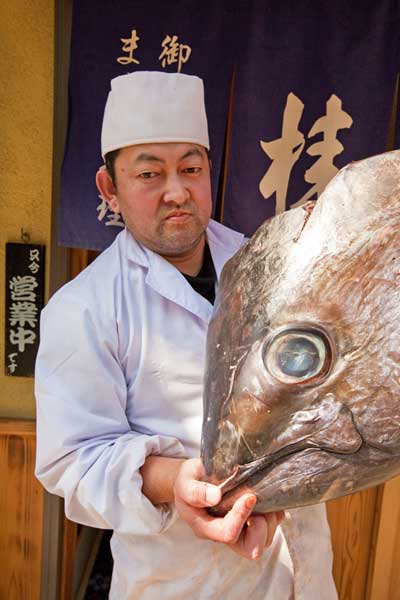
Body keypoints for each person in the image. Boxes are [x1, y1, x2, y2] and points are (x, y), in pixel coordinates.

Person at [35, 71, 337, 599]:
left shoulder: (262, 259)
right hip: (183, 583)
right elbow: (73, 460)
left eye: (191, 168)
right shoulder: (84, 308)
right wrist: (174, 480)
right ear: (111, 188)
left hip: (302, 570)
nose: (177, 191)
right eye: (150, 174)